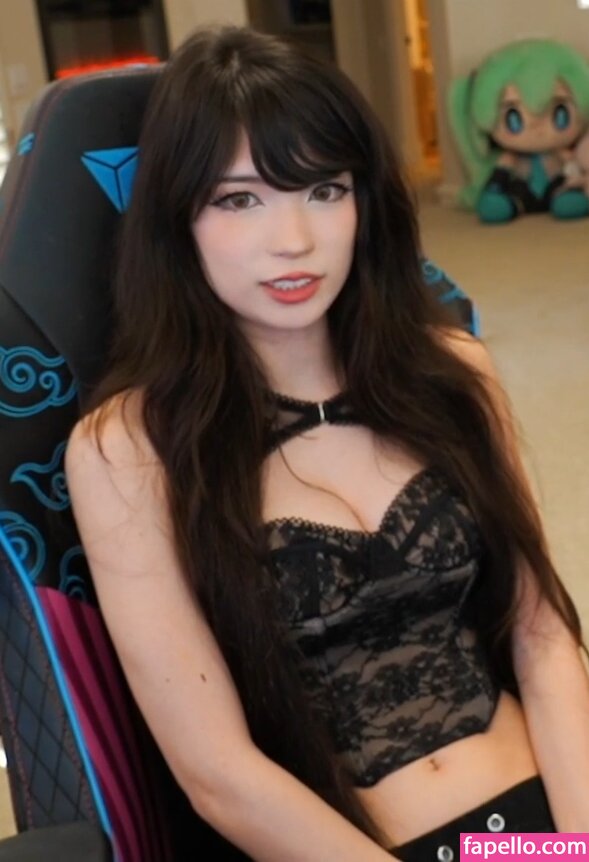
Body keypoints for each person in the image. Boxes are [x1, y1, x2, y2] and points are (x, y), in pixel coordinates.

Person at [64, 26, 589, 861]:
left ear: (363, 203)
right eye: (239, 200)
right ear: (178, 220)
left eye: (322, 190)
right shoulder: (130, 446)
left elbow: (542, 637)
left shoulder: (453, 370)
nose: (294, 241)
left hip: (534, 836)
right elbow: (217, 775)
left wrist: (579, 847)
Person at [447, 39, 589, 222]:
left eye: (559, 114)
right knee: (512, 194)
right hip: (522, 188)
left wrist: (572, 167)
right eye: (514, 118)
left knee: (566, 195)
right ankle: (508, 205)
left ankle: (566, 199)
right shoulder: (511, 157)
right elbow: (501, 173)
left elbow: (573, 171)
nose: (537, 129)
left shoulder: (563, 153)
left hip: (555, 186)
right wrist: (499, 178)